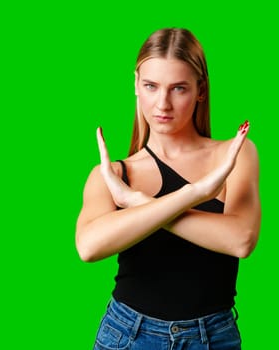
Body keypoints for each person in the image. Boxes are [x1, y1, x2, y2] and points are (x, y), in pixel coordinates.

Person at [76, 28, 261, 350]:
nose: (163, 103)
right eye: (151, 86)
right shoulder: (115, 174)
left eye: (178, 88)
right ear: (136, 84)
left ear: (200, 90)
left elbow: (241, 240)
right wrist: (194, 194)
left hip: (213, 337)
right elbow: (89, 247)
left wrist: (137, 202)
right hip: (128, 335)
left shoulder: (233, 154)